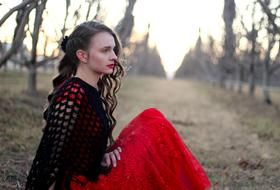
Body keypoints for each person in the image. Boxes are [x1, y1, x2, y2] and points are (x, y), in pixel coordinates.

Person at [25, 21, 211, 190]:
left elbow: (80, 147)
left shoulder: (91, 90)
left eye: (114, 50)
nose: (114, 56)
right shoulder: (73, 92)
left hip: (92, 170)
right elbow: (52, 155)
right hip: (82, 185)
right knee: (155, 125)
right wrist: (97, 162)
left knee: (150, 119)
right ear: (82, 55)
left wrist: (102, 155)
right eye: (105, 50)